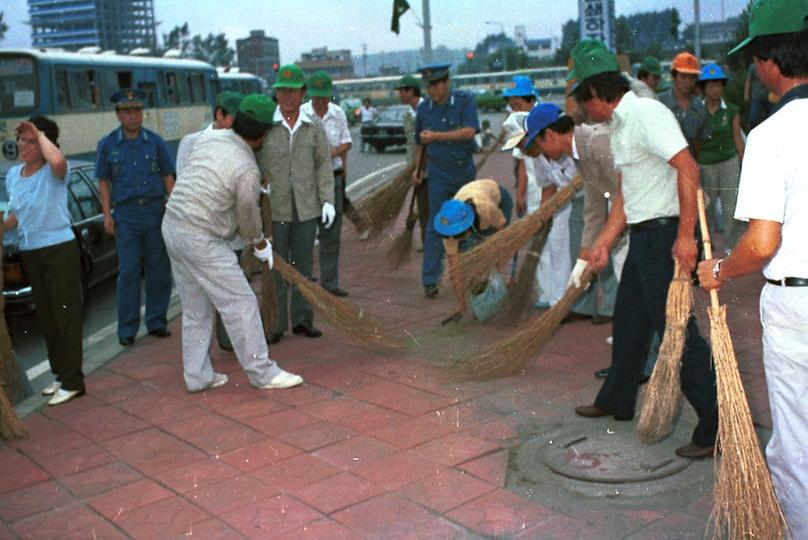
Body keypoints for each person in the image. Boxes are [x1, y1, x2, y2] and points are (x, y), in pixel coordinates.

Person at [568, 40, 718, 460]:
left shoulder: (647, 114)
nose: (583, 111)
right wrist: (602, 244)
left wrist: (686, 237)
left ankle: (715, 424)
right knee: (630, 321)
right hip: (643, 235)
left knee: (676, 333)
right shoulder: (618, 123)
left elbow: (688, 168)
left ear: (598, 94)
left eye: (584, 102)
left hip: (666, 237)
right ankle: (617, 399)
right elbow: (624, 194)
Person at [697, 2, 808, 533]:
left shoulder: (771, 134)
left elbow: (762, 242)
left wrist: (719, 268)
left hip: (797, 304)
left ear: (768, 61)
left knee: (796, 441)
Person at [162, 94, 303, 392]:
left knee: (195, 309)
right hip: (201, 237)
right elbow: (247, 214)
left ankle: (197, 377)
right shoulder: (246, 168)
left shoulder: (209, 140)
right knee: (240, 302)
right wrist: (259, 243)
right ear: (263, 134)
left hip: (173, 226)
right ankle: (263, 373)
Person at [3, 117, 84, 406]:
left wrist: (39, 131)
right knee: (48, 318)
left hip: (58, 249)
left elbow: (59, 161)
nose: (23, 146)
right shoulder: (14, 175)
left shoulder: (54, 172)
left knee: (66, 316)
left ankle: (74, 381)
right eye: (21, 140)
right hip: (30, 251)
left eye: (31, 141)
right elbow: (17, 216)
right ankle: (61, 375)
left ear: (45, 142)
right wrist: (3, 225)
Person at [521, 104, 620, 325]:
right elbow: (594, 206)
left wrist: (605, 239)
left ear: (550, 134)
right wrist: (583, 258)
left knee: (615, 257)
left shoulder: (595, 142)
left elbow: (621, 194)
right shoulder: (577, 153)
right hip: (603, 204)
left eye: (540, 144)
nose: (541, 152)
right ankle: (584, 304)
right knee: (585, 248)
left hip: (637, 208)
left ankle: (614, 308)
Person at [257, 64, 334, 344]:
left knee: (302, 266)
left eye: (294, 91)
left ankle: (302, 320)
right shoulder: (267, 125)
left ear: (303, 93)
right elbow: (253, 159)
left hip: (306, 207)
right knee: (276, 266)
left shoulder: (313, 127)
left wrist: (328, 201)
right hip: (275, 208)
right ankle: (276, 324)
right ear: (276, 93)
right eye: (283, 91)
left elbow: (324, 166)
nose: (288, 97)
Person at [96, 89, 175, 347]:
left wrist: (173, 208)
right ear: (119, 115)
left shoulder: (155, 141)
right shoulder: (107, 145)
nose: (133, 116)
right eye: (127, 112)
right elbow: (104, 182)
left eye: (137, 111)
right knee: (128, 272)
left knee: (158, 269)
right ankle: (127, 329)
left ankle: (156, 321)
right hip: (126, 216)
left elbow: (168, 177)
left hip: (155, 211)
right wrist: (107, 214)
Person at [176, 90, 245, 353]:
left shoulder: (240, 143)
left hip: (230, 233)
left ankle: (229, 341)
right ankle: (199, 361)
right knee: (198, 302)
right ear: (219, 114)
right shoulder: (191, 143)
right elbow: (185, 186)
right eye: (233, 119)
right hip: (199, 233)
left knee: (233, 292)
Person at [413, 62, 481, 298]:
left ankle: (470, 274)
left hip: (463, 171)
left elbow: (470, 131)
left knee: (467, 221)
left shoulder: (464, 101)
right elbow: (420, 141)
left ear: (446, 82)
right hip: (438, 173)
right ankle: (430, 280)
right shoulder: (424, 109)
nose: (431, 90)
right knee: (435, 224)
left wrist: (437, 136)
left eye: (435, 85)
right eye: (428, 86)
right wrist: (417, 169)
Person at [518, 105, 579, 309]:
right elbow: (548, 186)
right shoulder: (541, 157)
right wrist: (543, 216)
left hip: (591, 200)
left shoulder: (579, 144)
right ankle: (558, 301)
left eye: (538, 142)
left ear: (550, 134)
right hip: (563, 203)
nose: (538, 148)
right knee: (557, 246)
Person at [301, 71, 353, 297]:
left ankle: (329, 281)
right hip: (308, 180)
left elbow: (347, 142)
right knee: (305, 231)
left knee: (331, 231)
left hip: (332, 177)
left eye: (324, 97)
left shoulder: (337, 113)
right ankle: (304, 277)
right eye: (316, 97)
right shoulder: (302, 113)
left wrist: (331, 153)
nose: (321, 101)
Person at [433, 179, 513, 320]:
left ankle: (499, 289)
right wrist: (461, 305)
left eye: (459, 235)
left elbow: (502, 235)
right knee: (471, 257)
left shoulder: (486, 209)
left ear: (466, 226)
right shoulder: (449, 231)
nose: (455, 239)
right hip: (471, 212)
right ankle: (482, 295)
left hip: (498, 200)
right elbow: (455, 271)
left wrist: (496, 262)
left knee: (492, 251)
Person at [698, 63, 747, 253]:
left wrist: (744, 164)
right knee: (706, 209)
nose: (715, 89)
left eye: (718, 85)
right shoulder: (697, 111)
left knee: (731, 207)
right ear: (703, 88)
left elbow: (737, 137)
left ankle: (731, 247)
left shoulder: (731, 110)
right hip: (705, 164)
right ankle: (705, 249)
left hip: (729, 162)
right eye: (710, 85)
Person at [658, 52, 712, 160]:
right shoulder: (659, 102)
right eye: (683, 77)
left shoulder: (699, 107)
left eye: (692, 77)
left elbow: (700, 142)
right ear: (674, 77)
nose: (687, 82)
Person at [396, 74, 429, 245]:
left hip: (428, 168)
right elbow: (411, 144)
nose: (399, 95)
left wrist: (421, 167)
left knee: (428, 205)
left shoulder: (427, 110)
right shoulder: (408, 114)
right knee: (422, 204)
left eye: (401, 91)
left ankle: (429, 240)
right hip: (416, 168)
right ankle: (426, 240)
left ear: (410, 91)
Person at [745, 60, 772, 129]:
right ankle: (752, 132)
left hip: (769, 96)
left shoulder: (770, 64)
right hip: (756, 96)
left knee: (771, 117)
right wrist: (746, 94)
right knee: (754, 118)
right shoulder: (753, 66)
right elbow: (748, 80)